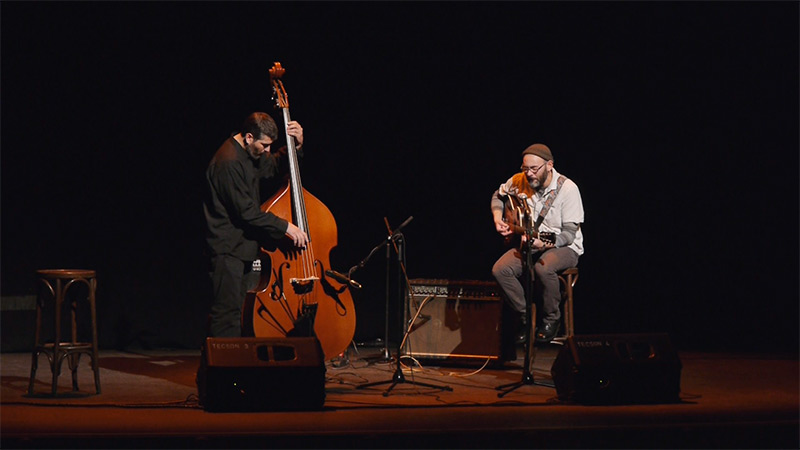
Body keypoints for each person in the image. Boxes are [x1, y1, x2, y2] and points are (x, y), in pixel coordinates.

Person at [202, 112, 309, 338]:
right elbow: (246, 212)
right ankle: (222, 371)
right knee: (227, 315)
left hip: (245, 248)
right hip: (227, 250)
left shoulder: (250, 152)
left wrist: (296, 147)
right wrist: (287, 227)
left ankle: (238, 367)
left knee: (240, 313)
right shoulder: (228, 162)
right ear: (249, 137)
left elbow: (273, 167)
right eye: (265, 145)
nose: (268, 151)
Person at [490, 143, 584, 343]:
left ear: (549, 165)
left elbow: (568, 234)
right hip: (531, 244)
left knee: (544, 268)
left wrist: (545, 244)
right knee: (501, 270)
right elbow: (498, 196)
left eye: (534, 169)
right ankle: (525, 316)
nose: (529, 174)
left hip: (563, 246)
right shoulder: (519, 180)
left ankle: (551, 319)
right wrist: (498, 217)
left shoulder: (568, 189)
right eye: (525, 169)